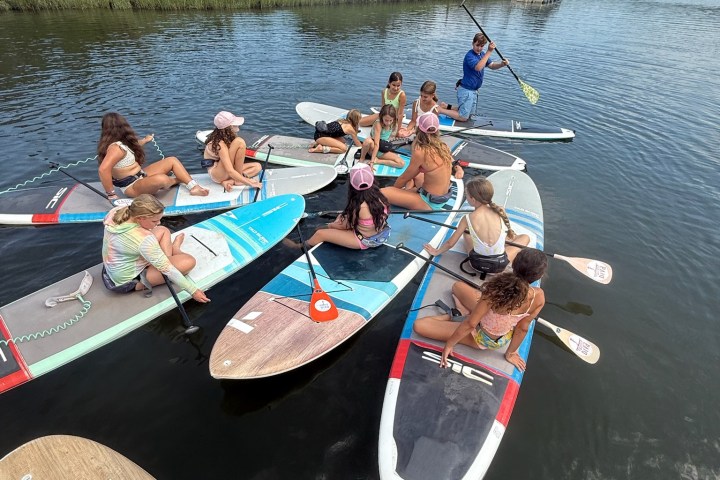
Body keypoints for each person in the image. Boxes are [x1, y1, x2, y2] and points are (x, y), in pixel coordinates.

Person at [413, 248, 547, 371]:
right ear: (539, 276)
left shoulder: (495, 290)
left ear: (514, 264)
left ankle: (454, 315)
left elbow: (471, 324)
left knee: (419, 326)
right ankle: (469, 312)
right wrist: (511, 353)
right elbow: (522, 328)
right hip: (502, 336)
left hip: (481, 337)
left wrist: (449, 344)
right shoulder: (539, 296)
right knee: (457, 286)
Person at [101, 194, 209, 303]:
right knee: (189, 262)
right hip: (126, 281)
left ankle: (161, 257)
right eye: (154, 221)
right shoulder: (143, 239)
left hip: (111, 268)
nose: (158, 223)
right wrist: (193, 291)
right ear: (140, 218)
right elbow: (168, 270)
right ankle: (175, 248)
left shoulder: (117, 211)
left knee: (163, 230)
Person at [423, 175, 530, 281]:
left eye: (467, 195)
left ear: (473, 199)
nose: (466, 197)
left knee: (466, 232)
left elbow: (450, 243)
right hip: (499, 266)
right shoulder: (500, 210)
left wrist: (436, 252)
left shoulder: (467, 218)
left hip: (476, 264)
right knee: (525, 237)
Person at [97, 112, 208, 203]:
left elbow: (132, 147)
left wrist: (145, 140)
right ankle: (176, 180)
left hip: (141, 175)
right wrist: (111, 194)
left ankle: (194, 187)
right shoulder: (115, 148)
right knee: (161, 179)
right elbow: (103, 169)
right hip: (132, 187)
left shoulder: (122, 143)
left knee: (171, 160)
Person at [302, 163, 391, 249]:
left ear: (351, 184)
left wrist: (330, 225)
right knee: (342, 218)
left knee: (320, 233)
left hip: (365, 241)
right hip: (381, 234)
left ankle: (299, 246)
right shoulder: (381, 196)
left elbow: (344, 226)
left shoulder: (359, 207)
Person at [381, 113, 453, 211]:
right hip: (442, 198)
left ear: (418, 129)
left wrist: (394, 191)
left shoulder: (421, 152)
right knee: (417, 175)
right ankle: (408, 192)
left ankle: (406, 194)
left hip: (429, 202)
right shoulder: (443, 146)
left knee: (382, 193)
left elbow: (404, 178)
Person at [437, 33, 510, 122]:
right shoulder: (470, 56)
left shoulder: (482, 54)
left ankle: (446, 106)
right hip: (466, 90)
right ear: (473, 43)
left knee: (470, 115)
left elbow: (492, 65)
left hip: (474, 91)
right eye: (477, 45)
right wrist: (489, 51)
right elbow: (478, 68)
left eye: (481, 46)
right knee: (463, 117)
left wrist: (502, 64)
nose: (479, 48)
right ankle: (440, 110)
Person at [203, 111, 262, 192]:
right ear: (229, 127)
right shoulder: (220, 144)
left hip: (223, 170)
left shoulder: (226, 137)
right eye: (235, 125)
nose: (238, 128)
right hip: (217, 174)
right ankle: (237, 180)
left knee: (257, 166)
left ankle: (231, 181)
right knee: (239, 142)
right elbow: (230, 171)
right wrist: (250, 183)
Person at [357, 104, 404, 169]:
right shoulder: (378, 124)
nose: (388, 123)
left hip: (382, 148)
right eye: (386, 120)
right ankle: (362, 158)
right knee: (368, 141)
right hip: (373, 147)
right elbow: (376, 144)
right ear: (381, 117)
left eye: (391, 120)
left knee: (401, 163)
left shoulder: (393, 123)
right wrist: (372, 162)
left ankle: (378, 161)